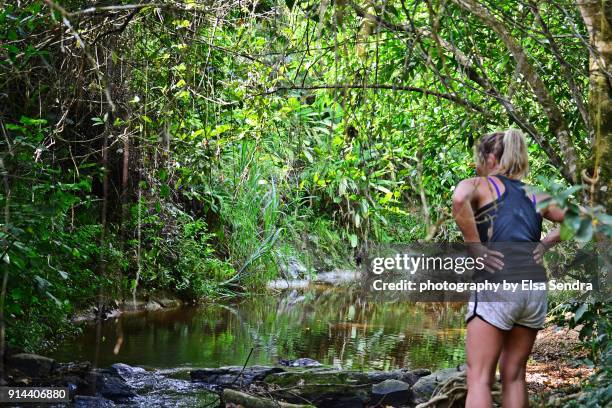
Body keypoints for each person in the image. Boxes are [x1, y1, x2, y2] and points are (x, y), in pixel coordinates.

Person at [451, 129, 565, 407]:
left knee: (479, 378)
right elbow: (575, 219)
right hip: (533, 288)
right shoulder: (535, 193)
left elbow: (458, 198)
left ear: (491, 158)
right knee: (514, 375)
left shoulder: (482, 185)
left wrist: (474, 245)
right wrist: (545, 244)